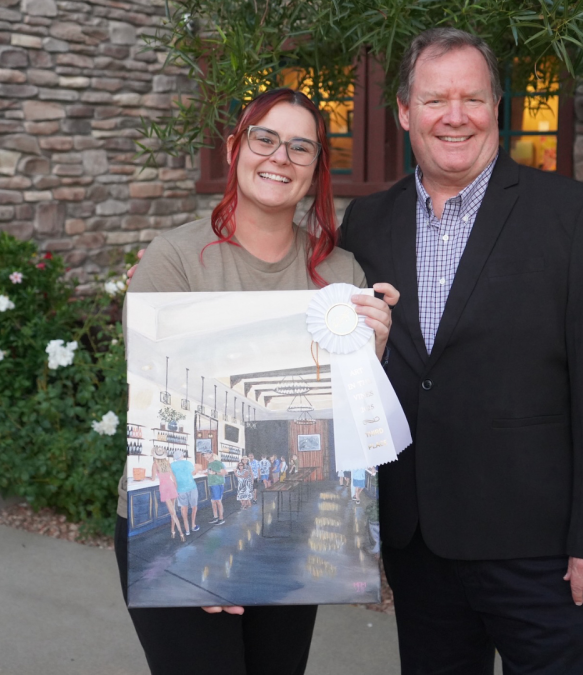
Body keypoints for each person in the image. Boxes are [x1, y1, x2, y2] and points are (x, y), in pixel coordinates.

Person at [337, 28, 583, 675]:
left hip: (542, 551)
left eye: (472, 98)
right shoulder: (366, 223)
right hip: (420, 544)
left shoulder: (575, 217)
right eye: (434, 99)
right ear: (404, 112)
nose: (455, 116)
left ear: (496, 108)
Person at [115, 86, 400, 675]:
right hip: (169, 545)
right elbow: (157, 399)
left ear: (316, 166)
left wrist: (374, 352)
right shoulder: (174, 259)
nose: (279, 157)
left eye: (300, 147)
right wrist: (193, 560)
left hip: (293, 543)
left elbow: (354, 426)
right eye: (264, 138)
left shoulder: (340, 272)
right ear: (233, 149)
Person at [154, 458, 184, 542]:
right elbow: (172, 476)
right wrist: (176, 486)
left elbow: (152, 478)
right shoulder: (167, 463)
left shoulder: (155, 464)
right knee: (172, 511)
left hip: (164, 488)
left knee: (173, 513)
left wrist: (149, 478)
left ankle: (181, 533)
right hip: (171, 486)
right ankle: (173, 531)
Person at [169, 450, 199, 536]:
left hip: (180, 489)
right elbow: (193, 473)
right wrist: (197, 468)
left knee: (183, 509)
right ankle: (193, 525)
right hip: (191, 487)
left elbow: (172, 477)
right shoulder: (188, 463)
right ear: (182, 455)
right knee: (194, 507)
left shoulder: (171, 465)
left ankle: (187, 530)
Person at [207, 452, 227, 525]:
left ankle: (221, 518)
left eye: (207, 455)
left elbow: (225, 472)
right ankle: (215, 517)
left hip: (217, 484)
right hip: (211, 484)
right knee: (213, 501)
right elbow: (209, 473)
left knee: (218, 501)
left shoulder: (218, 463)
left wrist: (215, 473)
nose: (206, 457)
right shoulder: (209, 464)